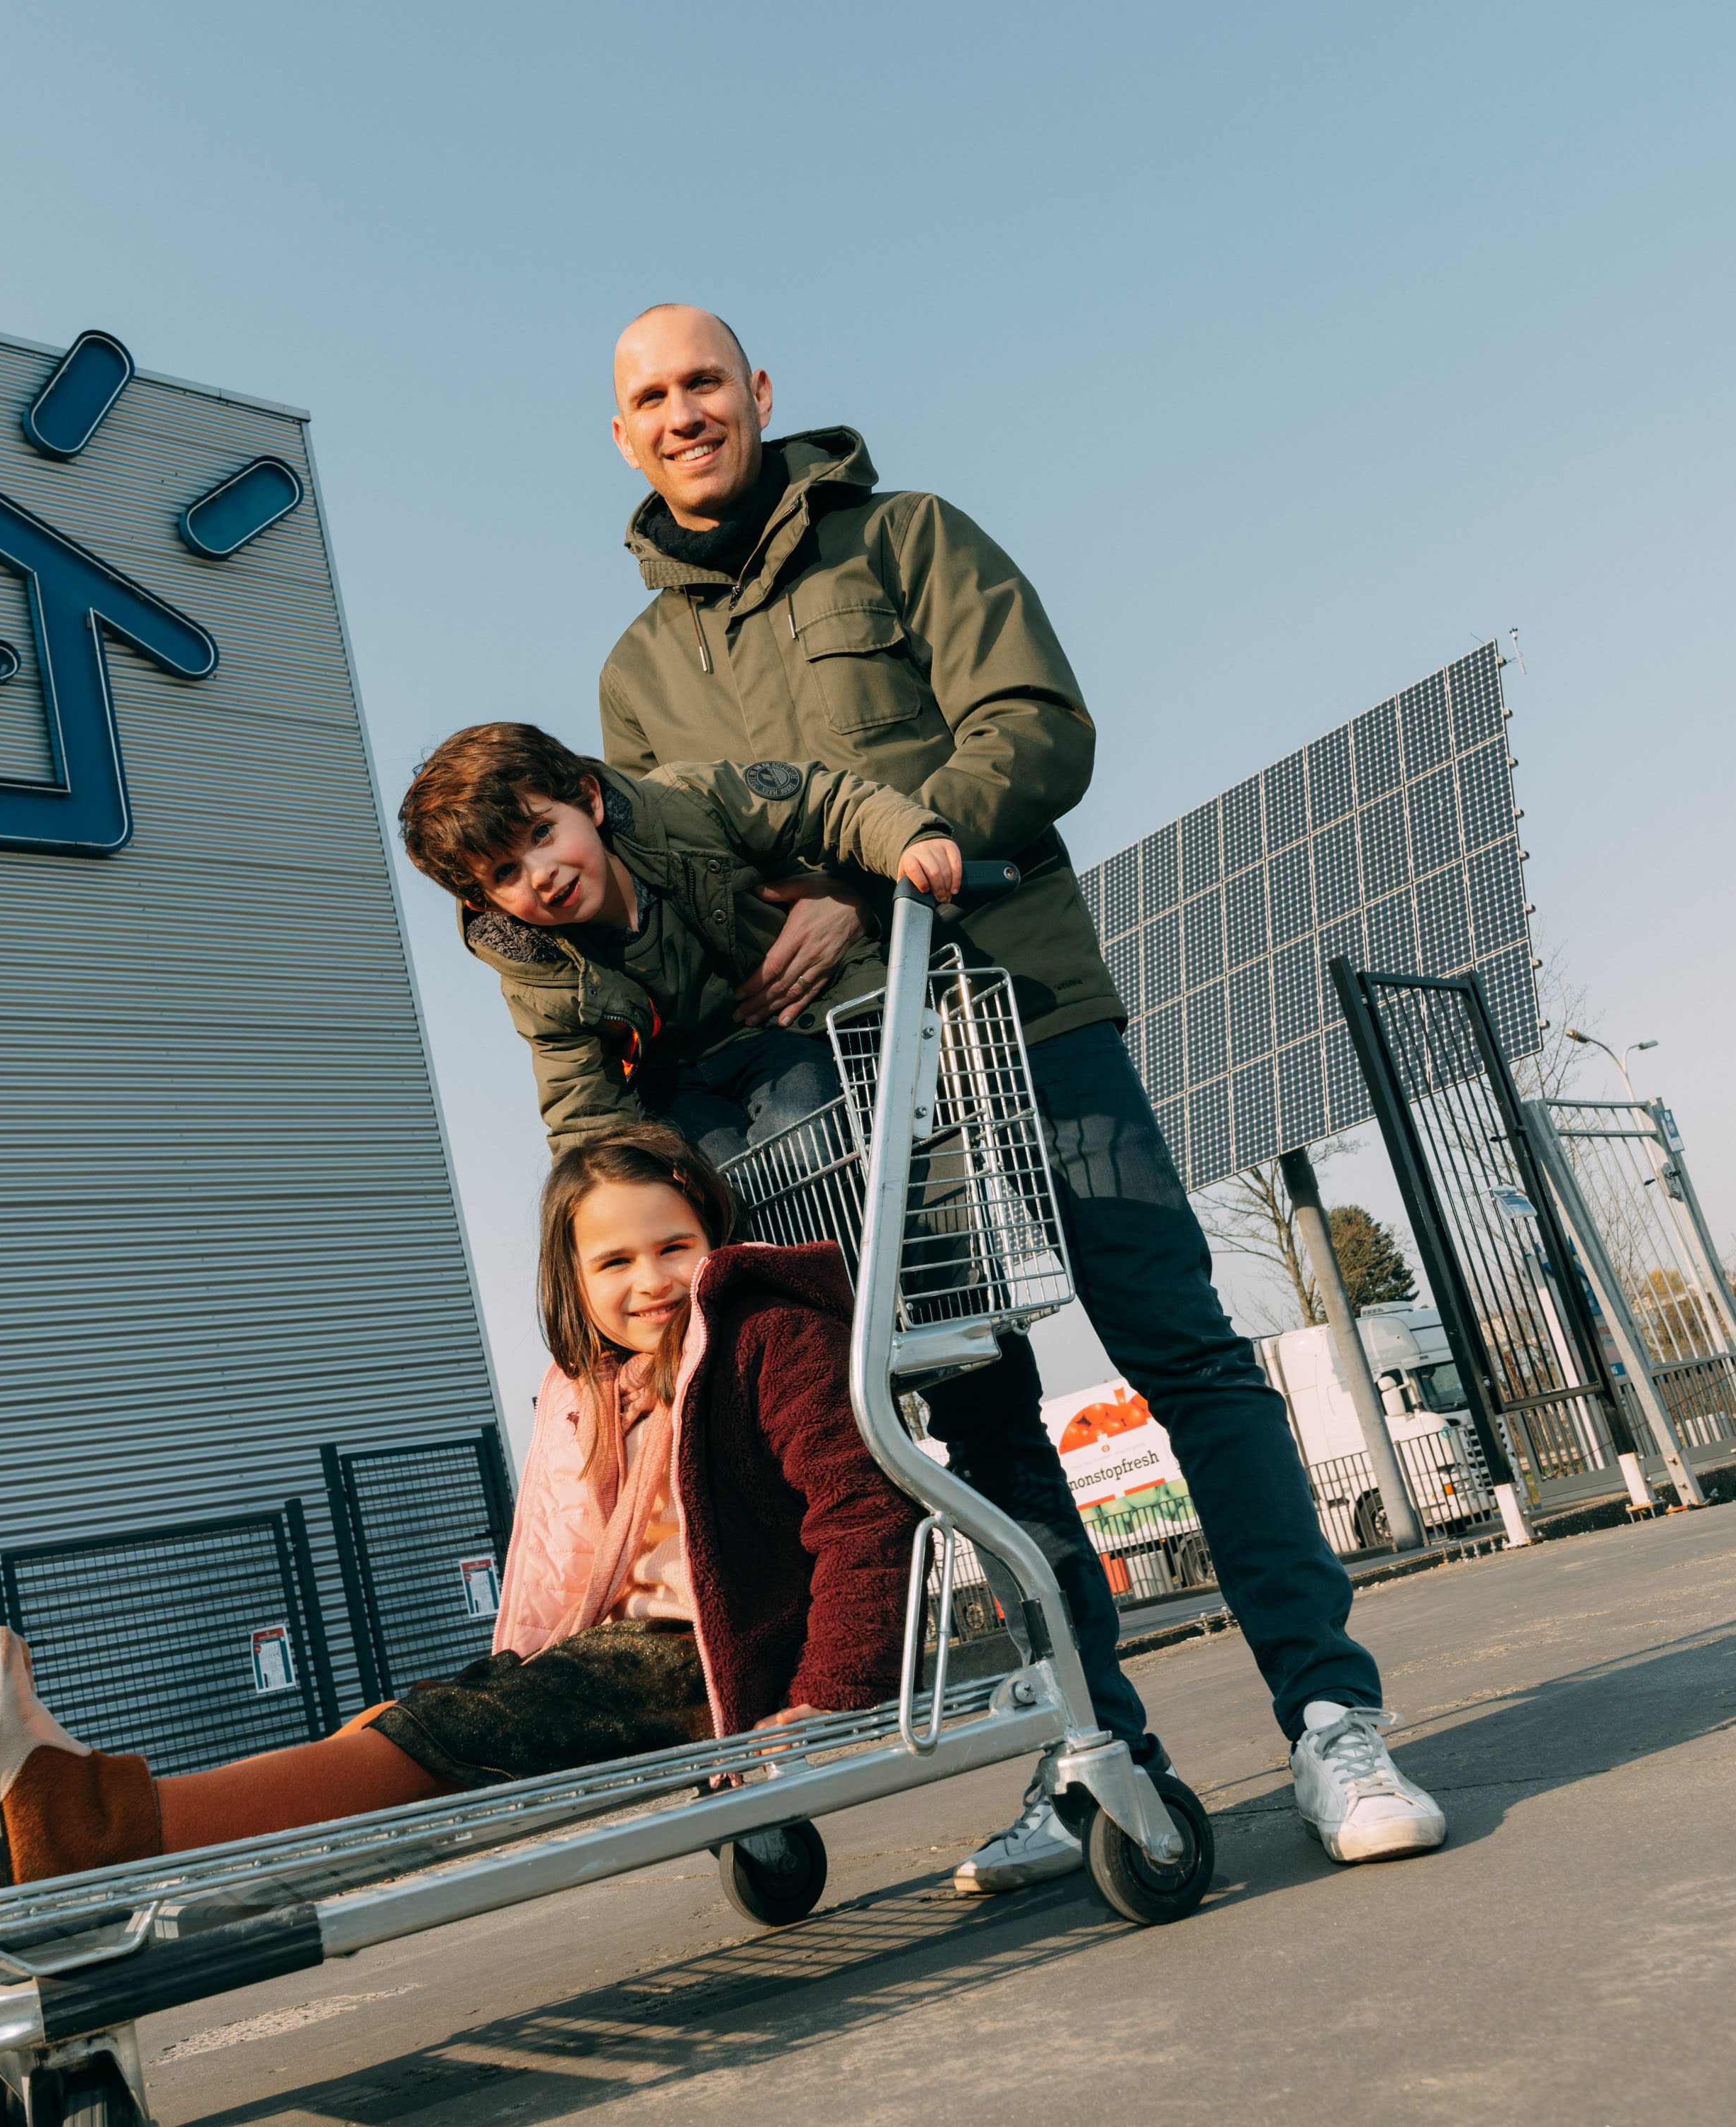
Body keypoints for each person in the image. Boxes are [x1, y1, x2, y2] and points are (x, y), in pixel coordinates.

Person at [596, 303, 1446, 1886]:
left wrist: (876, 876)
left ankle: (1335, 1719)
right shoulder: (637, 675)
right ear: (625, 434)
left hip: (1016, 1004)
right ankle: (1095, 1750)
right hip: (841, 1086)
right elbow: (683, 880)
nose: (683, 413)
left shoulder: (908, 538)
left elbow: (1037, 735)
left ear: (760, 392)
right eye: (650, 398)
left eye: (704, 381)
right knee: (979, 1413)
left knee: (1181, 1350)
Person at [0, 1125, 922, 1889]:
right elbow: (559, 1561)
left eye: (675, 1246)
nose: (650, 1280)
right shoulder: (599, 1389)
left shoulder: (768, 1339)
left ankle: (95, 1823)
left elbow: (859, 1515)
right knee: (420, 1714)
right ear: (574, 1285)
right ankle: (99, 1816)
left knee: (442, 1736)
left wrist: (826, 1700)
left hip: (711, 1661)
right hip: (628, 1653)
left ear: (717, 1243)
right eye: (614, 1263)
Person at [394, 720, 961, 1160]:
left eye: (543, 833)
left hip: (786, 1032)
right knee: (710, 1183)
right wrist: (602, 1193)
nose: (539, 874)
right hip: (677, 1083)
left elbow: (823, 802)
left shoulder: (684, 807)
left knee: (803, 1134)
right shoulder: (539, 970)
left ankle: (841, 1275)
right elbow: (579, 1099)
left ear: (589, 801)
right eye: (504, 874)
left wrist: (909, 839)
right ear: (483, 901)